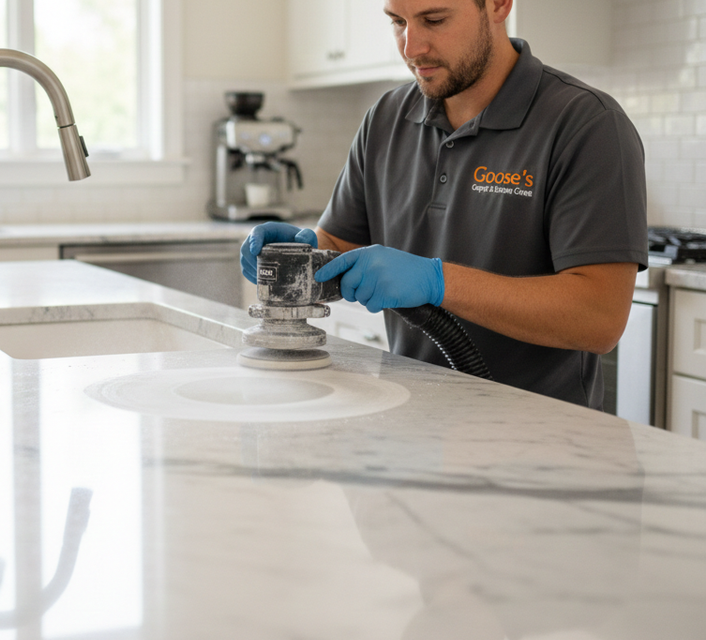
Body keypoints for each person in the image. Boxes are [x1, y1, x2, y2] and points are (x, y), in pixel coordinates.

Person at [240, 0, 648, 409]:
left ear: (499, 5)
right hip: (409, 418)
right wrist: (302, 256)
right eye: (398, 22)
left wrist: (438, 282)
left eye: (434, 20)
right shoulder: (385, 119)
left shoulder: (586, 124)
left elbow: (599, 318)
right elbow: (341, 246)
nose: (411, 47)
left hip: (541, 437)